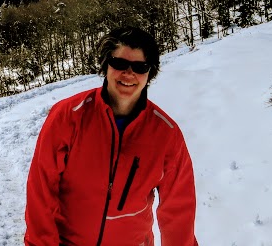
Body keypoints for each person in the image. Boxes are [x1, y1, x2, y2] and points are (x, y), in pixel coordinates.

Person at [24, 26, 198, 246]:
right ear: (106, 65)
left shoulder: (165, 134)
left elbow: (179, 210)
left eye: (140, 66)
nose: (128, 73)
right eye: (119, 63)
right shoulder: (68, 117)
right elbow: (41, 192)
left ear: (149, 73)